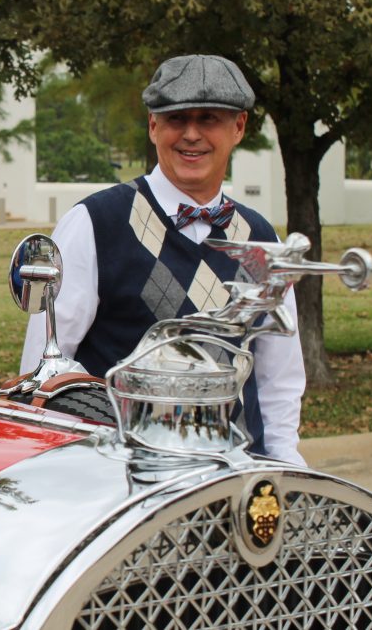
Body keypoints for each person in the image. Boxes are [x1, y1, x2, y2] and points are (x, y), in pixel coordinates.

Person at [21, 54, 306, 465]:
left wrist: (283, 466)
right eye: (176, 119)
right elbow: (43, 370)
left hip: (239, 480)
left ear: (238, 127)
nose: (191, 134)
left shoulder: (262, 238)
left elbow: (278, 376)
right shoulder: (94, 224)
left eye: (209, 119)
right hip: (123, 486)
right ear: (153, 126)